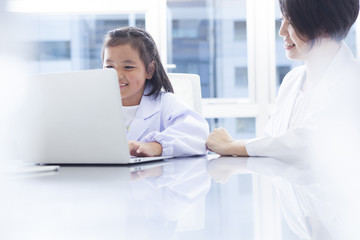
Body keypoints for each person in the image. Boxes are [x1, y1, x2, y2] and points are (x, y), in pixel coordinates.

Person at [206, 0, 360, 161]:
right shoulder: (292, 80)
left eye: (291, 22)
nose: (281, 31)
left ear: (324, 27)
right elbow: (272, 145)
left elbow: (309, 144)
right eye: (282, 20)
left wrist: (231, 145)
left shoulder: (354, 79)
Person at [102, 27, 209, 157]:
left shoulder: (166, 103)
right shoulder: (95, 106)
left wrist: (156, 146)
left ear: (149, 70)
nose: (117, 75)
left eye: (128, 67)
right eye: (109, 67)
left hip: (154, 176)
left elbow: (198, 135)